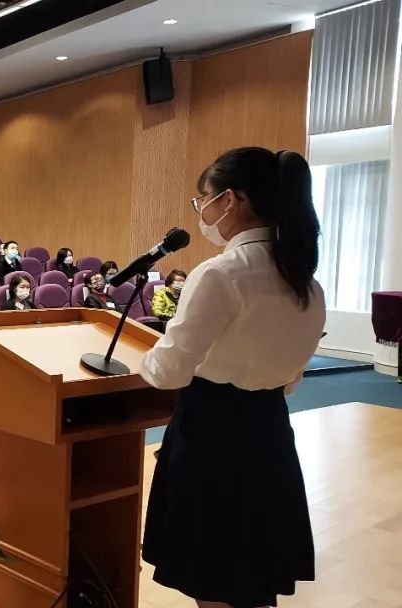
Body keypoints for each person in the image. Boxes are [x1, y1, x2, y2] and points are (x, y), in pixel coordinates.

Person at [140, 148, 325, 608]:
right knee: (253, 576)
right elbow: (291, 376)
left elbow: (169, 371)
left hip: (212, 437)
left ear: (230, 200)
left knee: (214, 582)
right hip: (270, 432)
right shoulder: (306, 281)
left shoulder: (221, 274)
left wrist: (140, 359)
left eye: (203, 199)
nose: (201, 210)